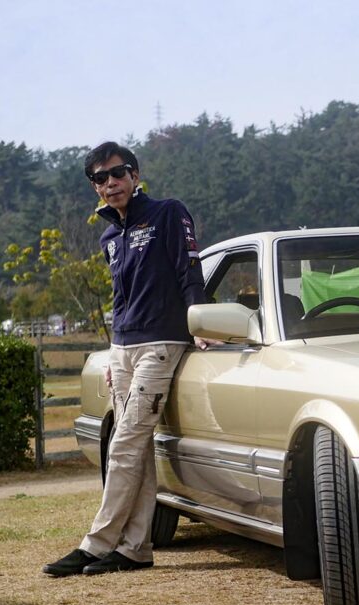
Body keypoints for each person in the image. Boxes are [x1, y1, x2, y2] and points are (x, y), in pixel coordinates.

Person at [43, 142, 210, 576]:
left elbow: (189, 271)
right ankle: (135, 547)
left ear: (134, 175)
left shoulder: (168, 213)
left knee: (125, 444)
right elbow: (121, 298)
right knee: (136, 450)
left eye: (117, 173)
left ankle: (97, 543)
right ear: (94, 187)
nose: (110, 183)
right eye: (100, 178)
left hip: (162, 344)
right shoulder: (108, 235)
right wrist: (114, 349)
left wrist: (202, 325)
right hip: (123, 348)